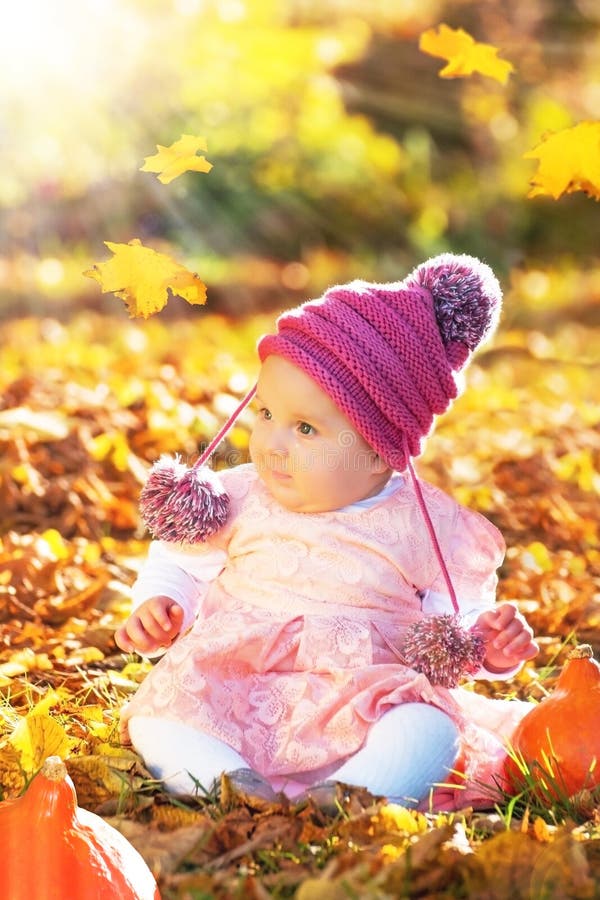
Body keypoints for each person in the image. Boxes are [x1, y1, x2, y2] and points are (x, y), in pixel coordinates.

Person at [116, 253, 538, 810]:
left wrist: (489, 644)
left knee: (430, 733)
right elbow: (179, 560)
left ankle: (349, 796)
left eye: (306, 428)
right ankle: (233, 786)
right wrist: (162, 601)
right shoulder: (241, 494)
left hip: (363, 700)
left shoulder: (427, 525)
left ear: (379, 449)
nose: (271, 443)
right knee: (161, 715)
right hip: (237, 689)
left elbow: (452, 626)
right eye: (264, 414)